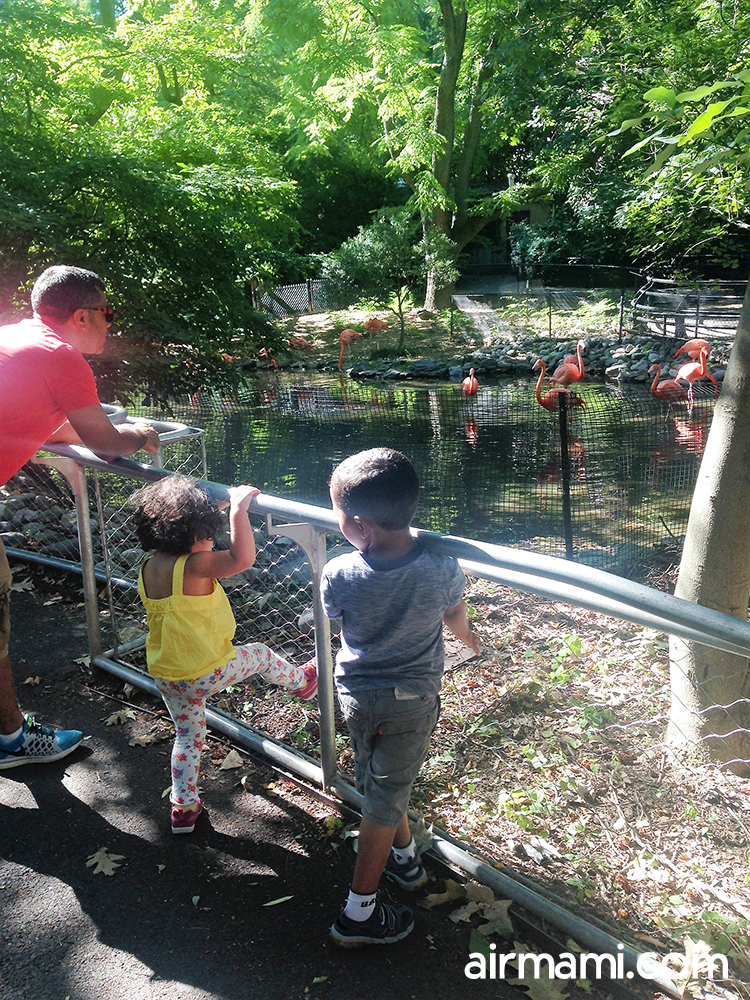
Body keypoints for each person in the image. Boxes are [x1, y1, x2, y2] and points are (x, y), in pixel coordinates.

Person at [0, 265, 161, 770]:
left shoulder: (16, 339)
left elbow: (46, 423)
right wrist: (141, 434)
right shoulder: (60, 355)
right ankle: (10, 740)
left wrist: (106, 432)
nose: (111, 324)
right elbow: (107, 444)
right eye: (107, 313)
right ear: (83, 316)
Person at [320, 447, 480, 947]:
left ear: (360, 525)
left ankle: (405, 862)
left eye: (337, 514)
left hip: (356, 695)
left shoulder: (339, 570)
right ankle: (359, 913)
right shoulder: (441, 566)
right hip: (412, 700)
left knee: (381, 785)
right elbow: (454, 616)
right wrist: (473, 641)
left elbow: (336, 616)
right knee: (385, 798)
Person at [132, 475, 318, 833]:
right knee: (260, 654)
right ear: (192, 534)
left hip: (167, 674)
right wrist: (238, 510)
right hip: (205, 670)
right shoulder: (195, 566)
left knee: (188, 737)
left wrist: (212, 511)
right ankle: (301, 682)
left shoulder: (150, 567)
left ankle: (183, 806)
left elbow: (195, 543)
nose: (212, 539)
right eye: (209, 531)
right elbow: (241, 558)